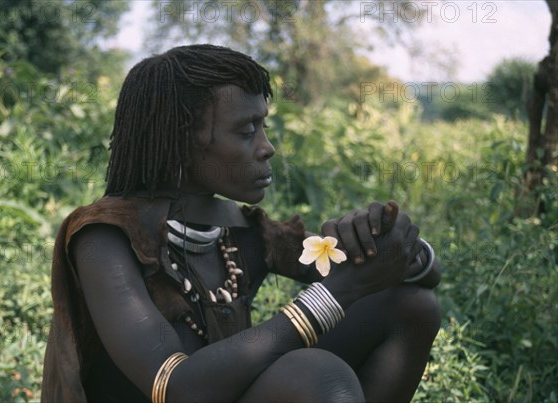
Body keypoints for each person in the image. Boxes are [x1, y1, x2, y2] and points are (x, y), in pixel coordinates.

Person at [41, 44, 441, 402]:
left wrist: (387, 240)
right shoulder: (103, 238)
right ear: (184, 136)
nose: (267, 148)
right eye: (247, 130)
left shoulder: (244, 229)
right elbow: (174, 387)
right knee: (316, 374)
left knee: (408, 305)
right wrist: (337, 293)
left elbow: (412, 280)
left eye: (263, 127)